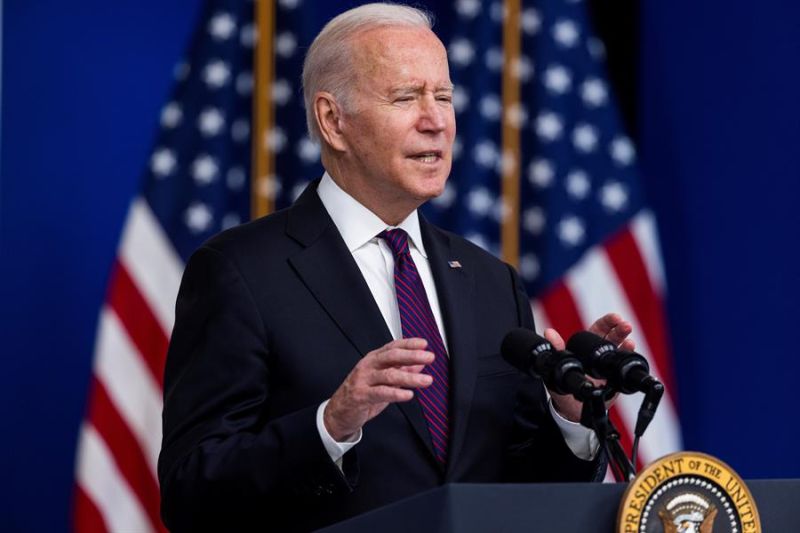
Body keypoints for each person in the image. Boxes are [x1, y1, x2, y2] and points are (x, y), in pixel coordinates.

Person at [158, 3, 635, 531]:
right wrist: (330, 426)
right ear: (332, 120)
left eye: (444, 97)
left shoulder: (490, 281)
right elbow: (190, 492)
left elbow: (519, 487)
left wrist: (568, 415)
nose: (435, 122)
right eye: (406, 98)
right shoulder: (239, 272)